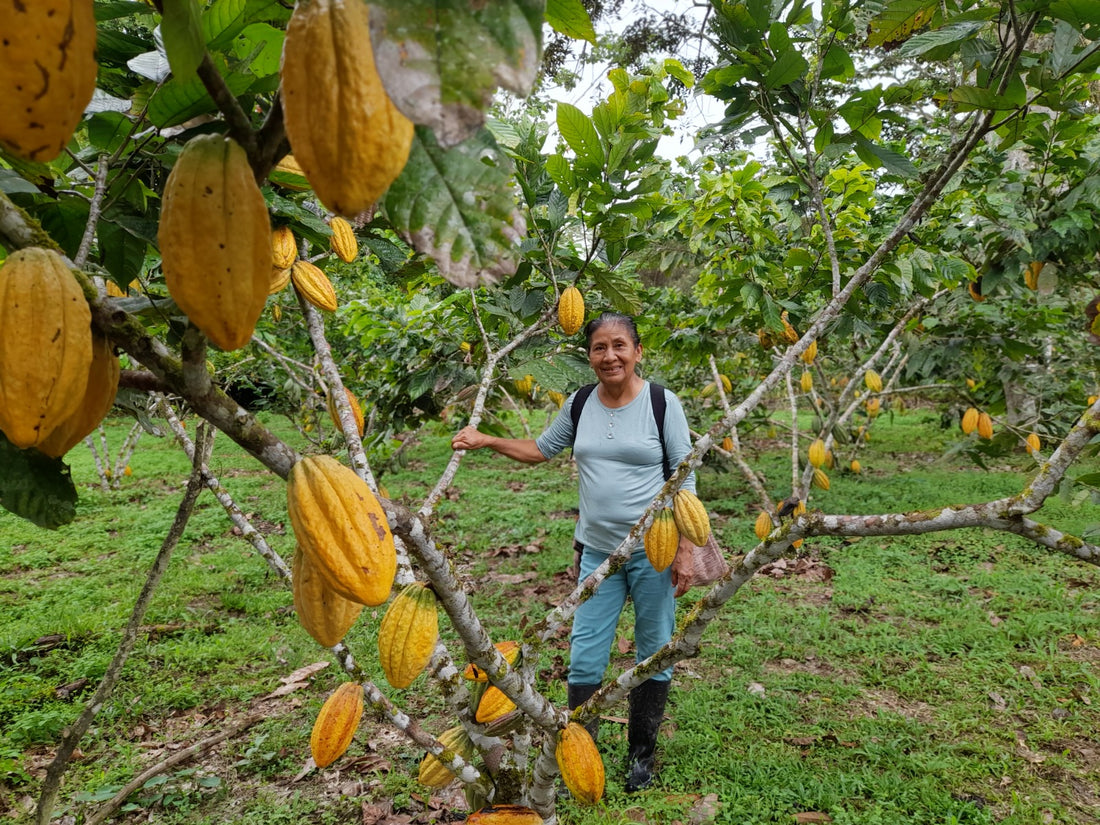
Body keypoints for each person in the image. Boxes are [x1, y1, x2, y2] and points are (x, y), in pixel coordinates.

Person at [450, 311, 697, 792]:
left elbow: (684, 478)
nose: (610, 356)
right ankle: (581, 756)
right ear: (589, 356)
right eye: (600, 348)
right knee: (585, 657)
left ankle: (641, 755)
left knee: (653, 651)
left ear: (638, 351)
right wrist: (486, 440)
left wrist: (685, 548)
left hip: (654, 550)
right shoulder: (581, 403)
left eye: (620, 345)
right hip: (598, 553)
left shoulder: (663, 404)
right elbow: (542, 449)